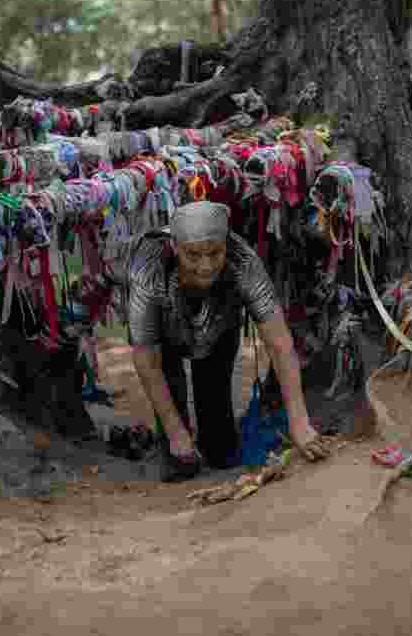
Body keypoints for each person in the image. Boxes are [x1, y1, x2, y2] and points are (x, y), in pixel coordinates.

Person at [128, 200, 331, 482]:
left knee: (220, 443)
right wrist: (175, 432)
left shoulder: (244, 262)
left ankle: (215, 446)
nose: (205, 265)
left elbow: (279, 343)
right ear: (174, 247)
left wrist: (299, 423)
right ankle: (177, 447)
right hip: (165, 334)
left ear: (226, 243)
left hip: (219, 325)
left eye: (215, 253)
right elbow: (146, 359)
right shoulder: (148, 271)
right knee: (179, 458)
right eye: (193, 255)